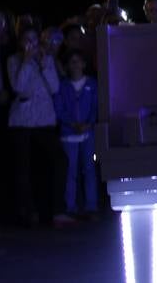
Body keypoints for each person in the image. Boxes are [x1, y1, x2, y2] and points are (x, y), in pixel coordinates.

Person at [7, 22, 66, 227]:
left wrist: (44, 64)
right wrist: (25, 61)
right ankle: (27, 211)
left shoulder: (47, 59)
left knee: (56, 161)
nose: (30, 44)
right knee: (23, 167)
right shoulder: (13, 60)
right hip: (22, 121)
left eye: (34, 40)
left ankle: (55, 209)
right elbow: (19, 87)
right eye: (26, 40)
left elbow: (54, 88)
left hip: (45, 120)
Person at [53, 50, 99, 220]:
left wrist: (89, 123)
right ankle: (70, 207)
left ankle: (91, 206)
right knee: (70, 171)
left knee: (89, 169)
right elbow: (59, 109)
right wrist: (71, 124)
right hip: (68, 134)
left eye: (78, 61)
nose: (75, 65)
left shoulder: (92, 84)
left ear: (83, 64)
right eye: (72, 62)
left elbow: (95, 107)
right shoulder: (62, 86)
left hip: (88, 133)